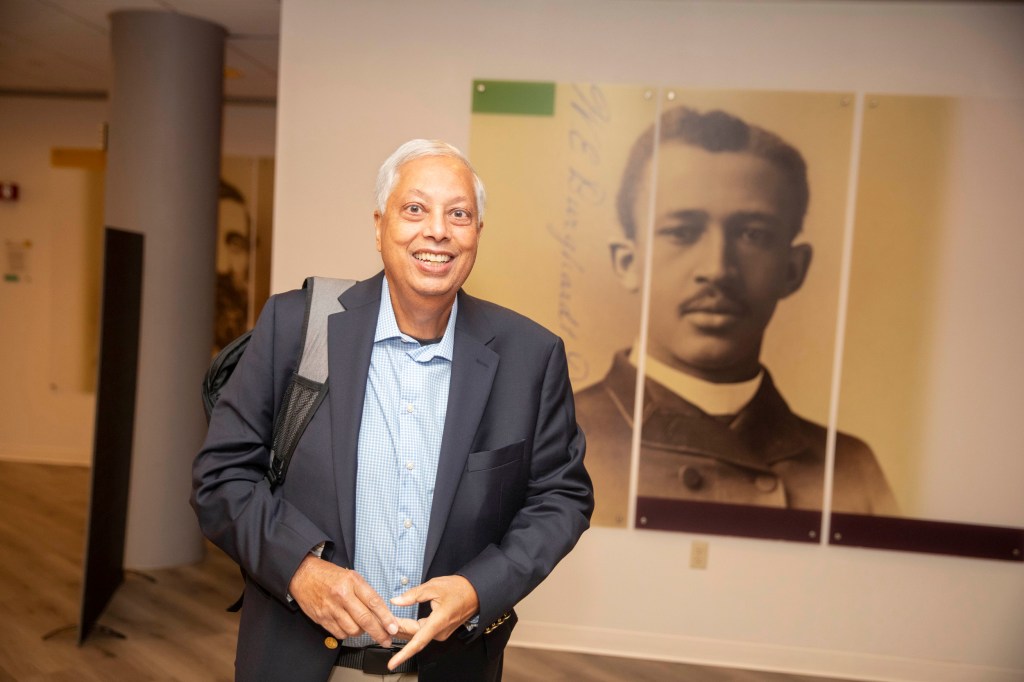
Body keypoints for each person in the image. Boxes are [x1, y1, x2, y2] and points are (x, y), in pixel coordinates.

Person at [192, 139, 593, 681]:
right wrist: (299, 570)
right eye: (414, 209)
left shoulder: (530, 356)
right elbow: (221, 479)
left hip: (449, 668)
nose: (437, 231)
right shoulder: (296, 329)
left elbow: (561, 497)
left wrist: (479, 589)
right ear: (379, 226)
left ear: (477, 235)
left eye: (459, 214)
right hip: (300, 663)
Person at [577, 106, 896, 528]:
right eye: (682, 232)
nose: (717, 269)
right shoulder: (560, 440)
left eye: (753, 235)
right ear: (627, 262)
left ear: (793, 269)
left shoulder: (852, 470)